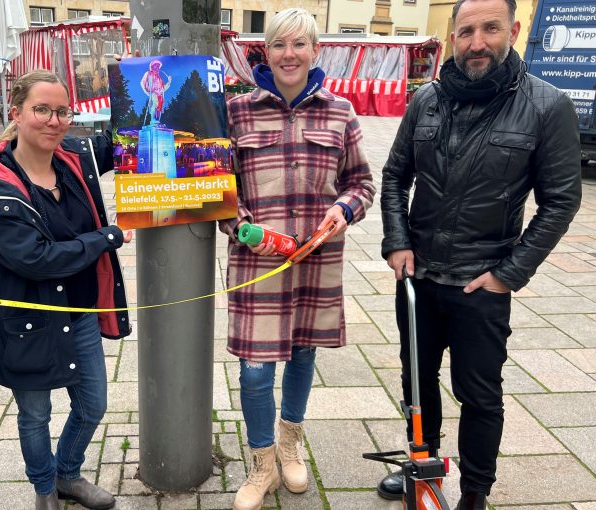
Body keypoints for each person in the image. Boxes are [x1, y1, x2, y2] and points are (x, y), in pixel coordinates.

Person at [379, 0, 582, 507]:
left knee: (480, 396)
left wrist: (509, 272)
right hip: (420, 278)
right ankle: (422, 472)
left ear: (513, 30)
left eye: (490, 29)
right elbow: (394, 176)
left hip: (481, 282)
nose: (477, 42)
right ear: (452, 37)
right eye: (466, 31)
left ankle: (475, 494)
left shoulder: (545, 105)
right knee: (418, 387)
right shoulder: (425, 101)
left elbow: (562, 199)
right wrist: (398, 240)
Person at [219, 9, 375, 510]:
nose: (289, 54)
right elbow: (218, 189)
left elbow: (362, 185)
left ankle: (291, 445)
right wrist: (242, 226)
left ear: (315, 51)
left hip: (316, 261)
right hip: (256, 263)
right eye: (279, 45)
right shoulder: (237, 112)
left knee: (303, 354)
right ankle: (262, 463)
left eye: (299, 45)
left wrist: (342, 209)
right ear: (263, 51)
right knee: (255, 371)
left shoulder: (340, 112)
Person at [0, 70, 131, 510]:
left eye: (62, 111)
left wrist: (145, 85)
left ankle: (66, 474)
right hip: (29, 322)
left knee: (93, 406)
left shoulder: (73, 158)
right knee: (35, 415)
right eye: (42, 110)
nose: (54, 121)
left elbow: (122, 138)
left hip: (80, 314)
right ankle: (44, 490)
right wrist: (107, 237)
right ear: (16, 114)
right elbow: (35, 259)